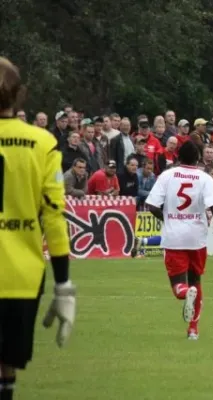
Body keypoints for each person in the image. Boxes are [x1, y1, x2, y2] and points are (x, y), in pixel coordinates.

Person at [0, 57, 76, 400]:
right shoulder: (42, 143)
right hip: (22, 275)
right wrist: (63, 284)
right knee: (7, 366)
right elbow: (54, 217)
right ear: (22, 96)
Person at [144, 141, 213, 340]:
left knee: (178, 285)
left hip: (174, 238)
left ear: (178, 157)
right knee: (196, 281)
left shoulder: (167, 175)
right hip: (197, 238)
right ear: (198, 158)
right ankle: (193, 329)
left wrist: (168, 219)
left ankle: (184, 291)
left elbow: (152, 206)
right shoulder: (205, 178)